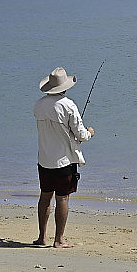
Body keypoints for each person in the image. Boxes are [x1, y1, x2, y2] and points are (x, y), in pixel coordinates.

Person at [33, 67, 95, 248]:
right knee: (62, 198)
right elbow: (81, 135)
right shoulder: (68, 105)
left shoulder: (38, 105)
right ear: (65, 87)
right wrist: (90, 132)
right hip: (64, 161)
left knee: (45, 197)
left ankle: (42, 237)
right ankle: (59, 239)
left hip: (44, 159)